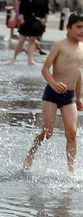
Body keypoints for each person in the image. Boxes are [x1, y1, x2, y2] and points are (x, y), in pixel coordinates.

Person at [23, 13, 83, 173]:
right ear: (69, 28)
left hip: (69, 97)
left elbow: (79, 75)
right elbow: (45, 69)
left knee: (72, 133)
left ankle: (72, 171)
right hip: (52, 94)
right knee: (47, 132)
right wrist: (54, 84)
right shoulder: (59, 45)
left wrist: (79, 97)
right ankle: (30, 156)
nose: (82, 30)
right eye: (78, 27)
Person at [12, 0, 50, 66]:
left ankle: (30, 60)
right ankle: (13, 58)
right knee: (22, 39)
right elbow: (22, 7)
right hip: (27, 20)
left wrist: (45, 20)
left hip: (38, 21)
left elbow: (46, 9)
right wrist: (21, 17)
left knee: (32, 40)